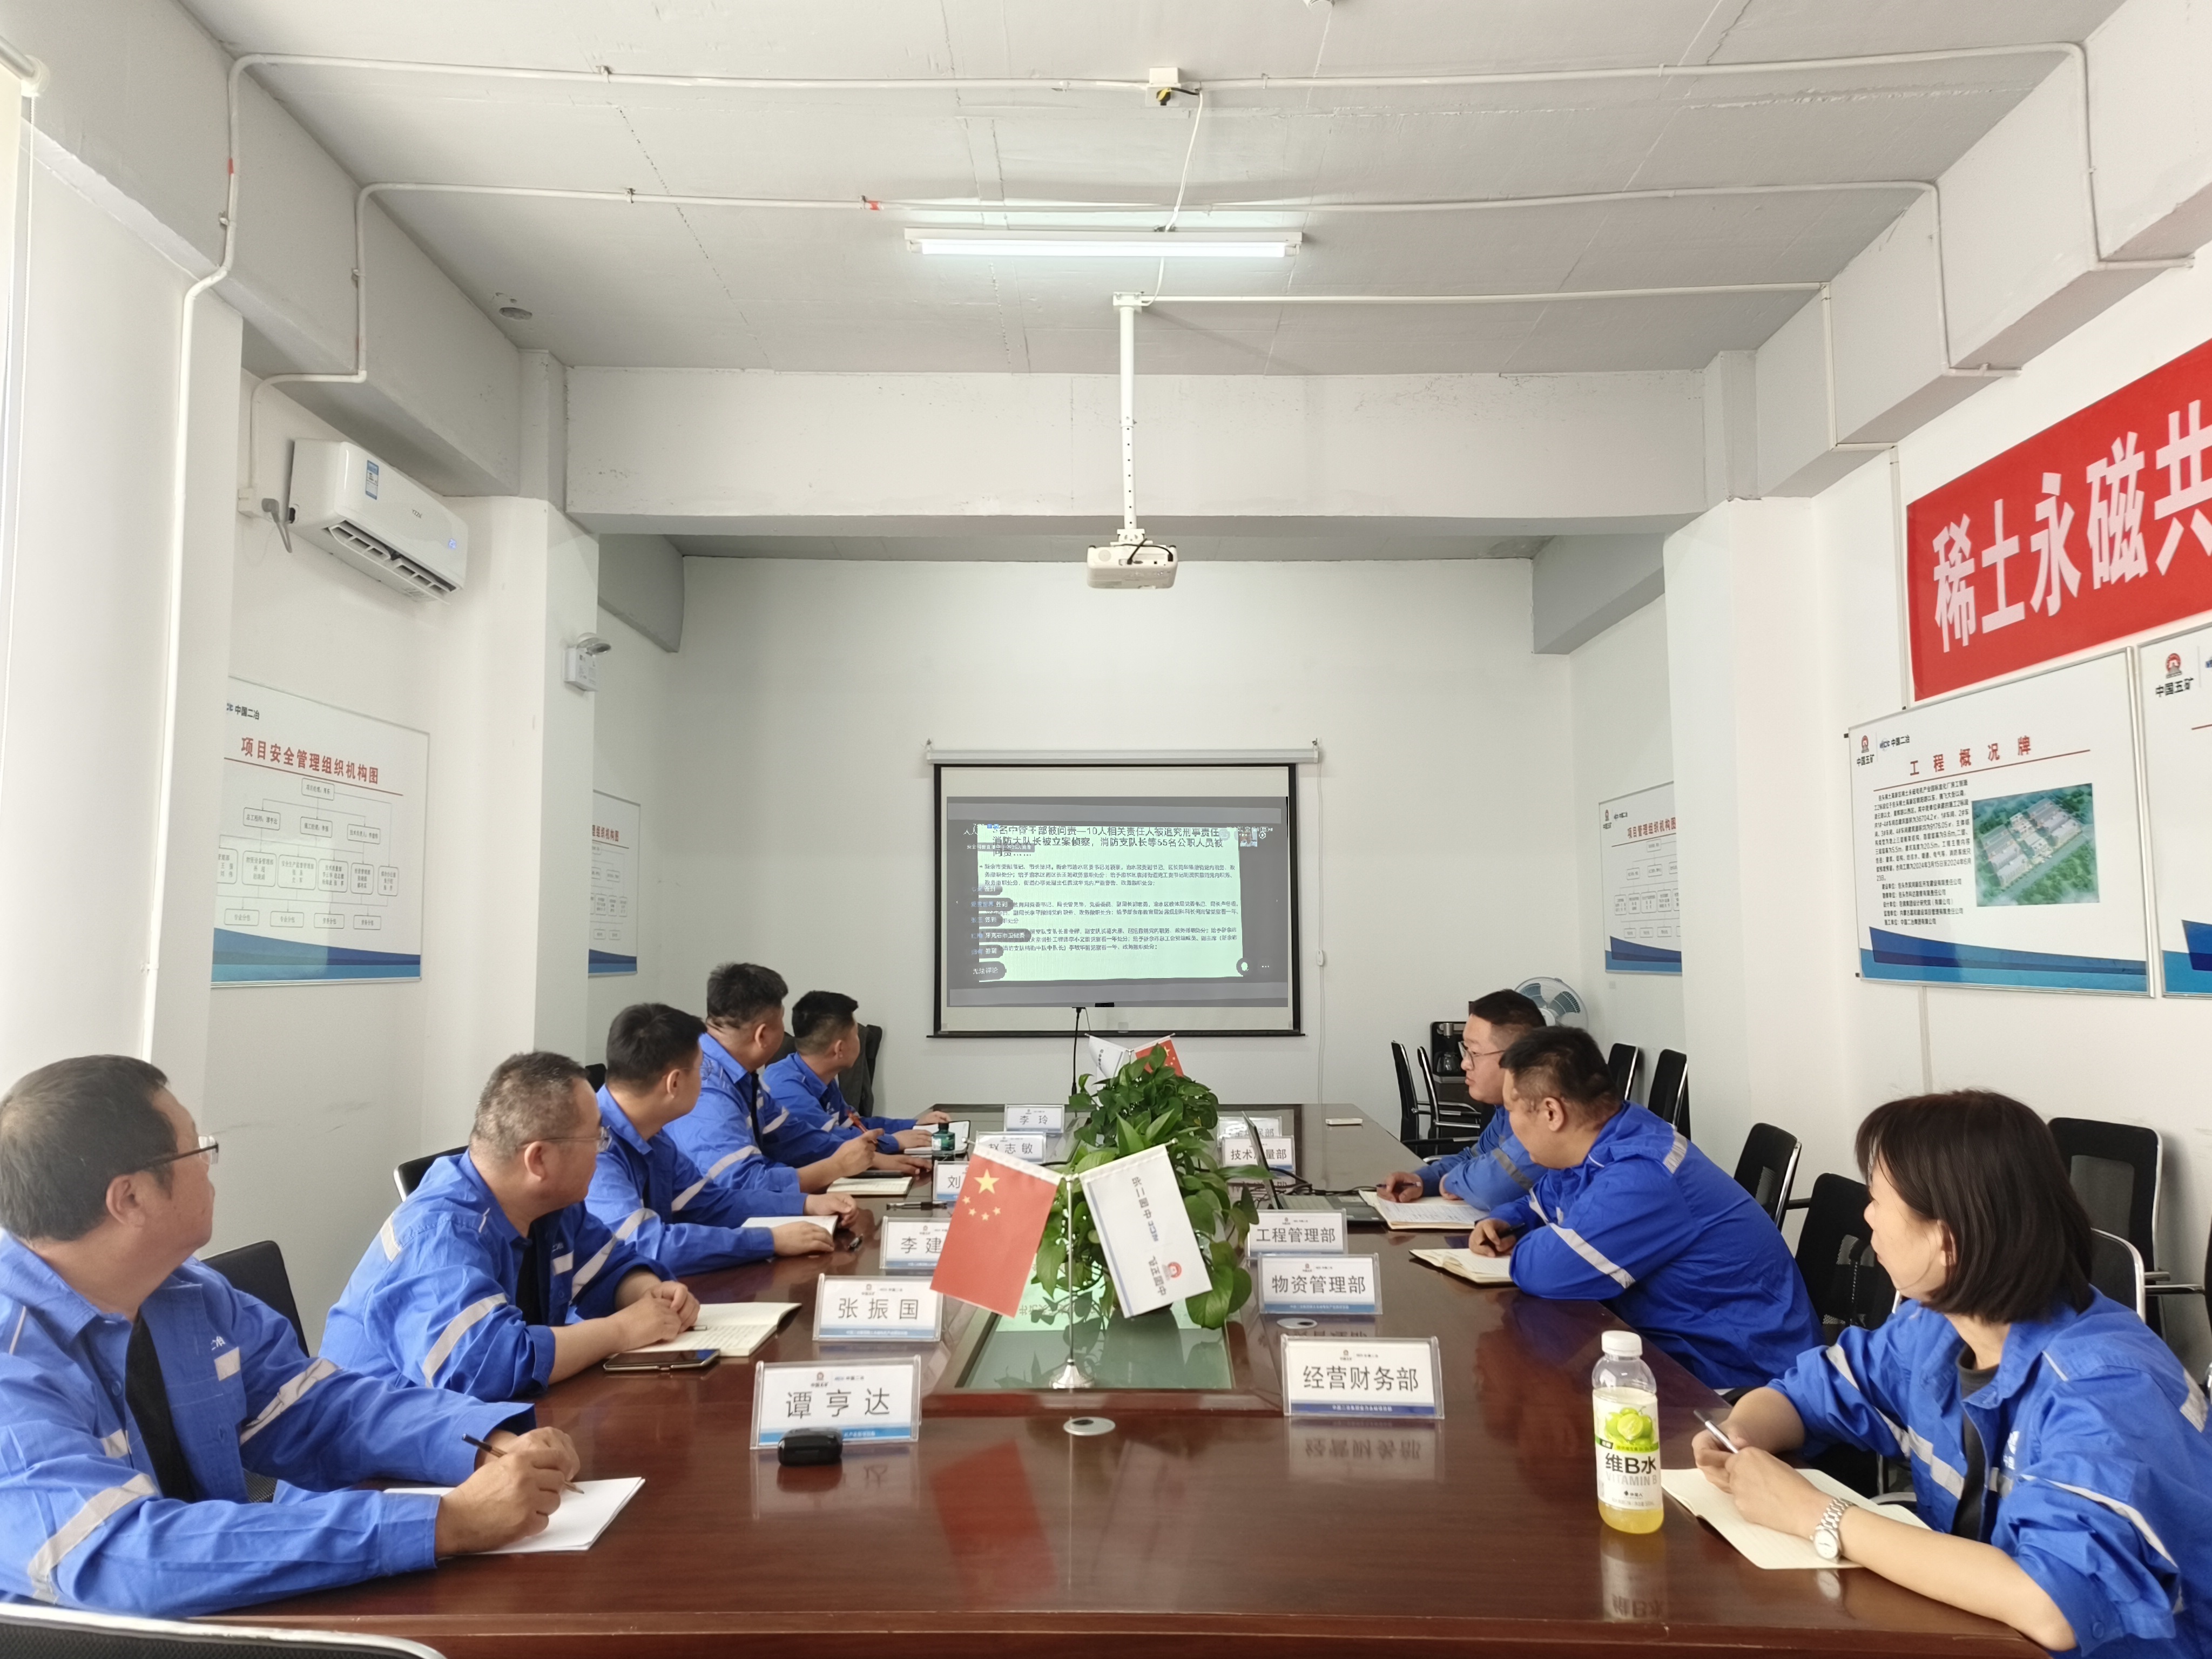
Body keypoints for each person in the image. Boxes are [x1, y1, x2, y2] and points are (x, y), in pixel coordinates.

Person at [0, 1055, 580, 1617]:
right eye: (197, 1149)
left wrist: (482, 1443)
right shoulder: (12, 1360)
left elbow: (319, 1408)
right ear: (130, 1198)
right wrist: (445, 1524)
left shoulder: (188, 1293)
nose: (209, 1165)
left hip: (224, 1617)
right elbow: (125, 1557)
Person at [1695, 1090, 2212, 1657]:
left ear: (1947, 1241)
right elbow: (1810, 1394)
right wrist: (1740, 1437)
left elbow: (2053, 1605)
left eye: (1878, 1199)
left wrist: (1816, 1515)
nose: (1867, 1215)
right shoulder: (1937, 1328)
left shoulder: (2105, 1388)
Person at [322, 1051, 702, 1399]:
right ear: (539, 1160)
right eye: (596, 1138)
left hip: (481, 1428)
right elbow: (486, 1367)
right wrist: (622, 1330)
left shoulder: (552, 1205)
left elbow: (609, 1269)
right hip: (375, 1447)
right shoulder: (439, 1233)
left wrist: (651, 1295)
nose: (602, 1150)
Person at [1468, 1026, 1819, 1391]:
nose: (1510, 1125)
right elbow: (1545, 1201)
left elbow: (1547, 1271)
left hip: (1739, 1379)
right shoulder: (1611, 1132)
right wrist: (1507, 1221)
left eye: (1511, 1109)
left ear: (1552, 1113)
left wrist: (1527, 1246)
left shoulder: (1641, 1175)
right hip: (1672, 1349)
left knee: (1541, 1388)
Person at [587, 1002, 844, 1275]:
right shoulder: (592, 1147)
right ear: (674, 1083)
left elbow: (711, 1204)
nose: (706, 1079)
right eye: (702, 1069)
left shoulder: (654, 1136)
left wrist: (804, 1204)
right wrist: (769, 1241)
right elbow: (650, 1246)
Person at [669, 963, 925, 1193]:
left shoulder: (741, 1075)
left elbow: (794, 1137)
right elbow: (744, 1184)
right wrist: (835, 1168)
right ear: (762, 1036)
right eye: (781, 1021)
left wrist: (870, 1157)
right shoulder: (705, 1088)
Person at [1375, 989, 1545, 1212]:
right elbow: (1474, 1157)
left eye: (1474, 1053)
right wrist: (1422, 1180)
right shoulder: (1505, 1109)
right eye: (1465, 1051)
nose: (1465, 1064)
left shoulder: (1544, 1116)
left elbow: (1491, 1188)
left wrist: (1449, 1181)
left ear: (1517, 1058)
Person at [759, 989, 949, 1161]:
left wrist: (915, 1125)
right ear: (840, 1049)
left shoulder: (822, 1078)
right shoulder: (785, 1087)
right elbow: (831, 1143)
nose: (860, 1041)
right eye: (856, 1035)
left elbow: (856, 1125)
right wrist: (895, 1141)